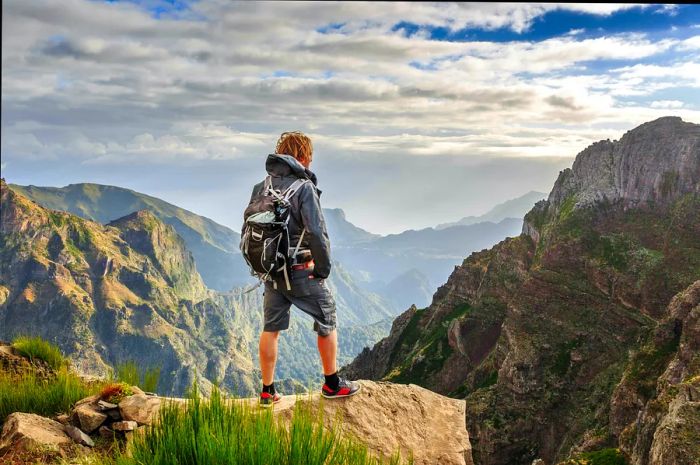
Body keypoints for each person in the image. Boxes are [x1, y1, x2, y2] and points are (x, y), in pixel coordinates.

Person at [248, 131, 361, 407]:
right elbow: (318, 234)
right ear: (303, 157)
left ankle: (267, 392)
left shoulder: (261, 187)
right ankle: (332, 384)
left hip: (272, 271)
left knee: (270, 328)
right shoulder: (304, 188)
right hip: (300, 270)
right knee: (327, 318)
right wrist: (322, 270)